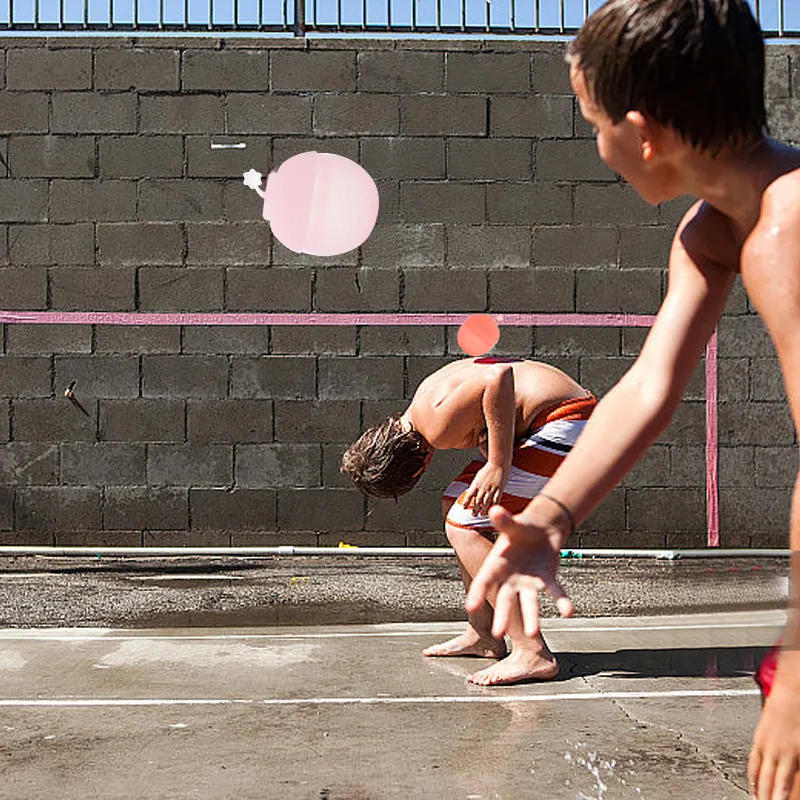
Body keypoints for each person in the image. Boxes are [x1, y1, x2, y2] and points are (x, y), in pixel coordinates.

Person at [463, 2, 800, 798]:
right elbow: (649, 385)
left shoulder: (786, 231)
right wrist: (548, 517)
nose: (597, 145)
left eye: (594, 123)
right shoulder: (713, 229)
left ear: (644, 132)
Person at [341, 356, 596, 684]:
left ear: (417, 466)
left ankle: (532, 651)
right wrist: (493, 438)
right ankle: (484, 633)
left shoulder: (434, 425)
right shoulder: (422, 401)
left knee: (462, 523)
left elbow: (498, 376)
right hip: (557, 418)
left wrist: (499, 463)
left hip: (567, 422)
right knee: (455, 505)